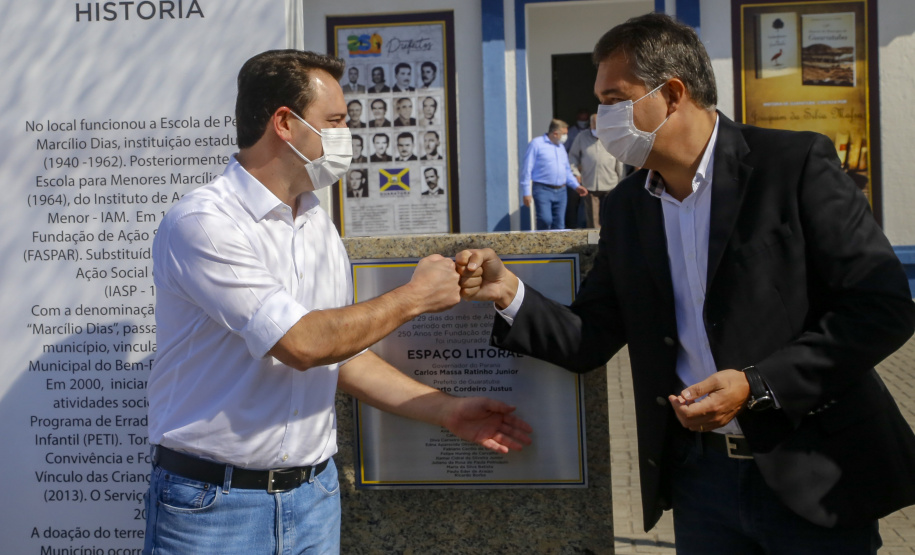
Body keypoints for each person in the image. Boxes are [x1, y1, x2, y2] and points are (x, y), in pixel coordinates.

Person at [457, 13, 915, 554]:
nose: (601, 118)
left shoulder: (790, 165)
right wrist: (508, 290)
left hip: (812, 471)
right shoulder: (629, 207)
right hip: (702, 482)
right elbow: (592, 334)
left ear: (672, 93)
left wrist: (758, 384)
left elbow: (881, 306)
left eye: (614, 98)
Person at [144, 50, 532, 555]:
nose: (348, 135)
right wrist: (414, 298)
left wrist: (446, 411)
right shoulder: (204, 224)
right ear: (285, 122)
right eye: (336, 121)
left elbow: (340, 354)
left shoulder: (315, 222)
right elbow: (302, 343)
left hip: (314, 497)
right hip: (216, 507)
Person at [519, 118, 588, 230]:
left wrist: (576, 186)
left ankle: (558, 248)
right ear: (555, 133)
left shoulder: (560, 148)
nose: (566, 137)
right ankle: (542, 245)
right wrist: (526, 192)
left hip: (561, 191)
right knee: (545, 219)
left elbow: (566, 170)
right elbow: (527, 169)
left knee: (559, 223)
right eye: (564, 134)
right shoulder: (536, 144)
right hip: (543, 189)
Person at [568, 113, 626, 228]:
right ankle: (595, 244)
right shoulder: (581, 137)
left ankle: (610, 242)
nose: (597, 130)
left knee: (610, 216)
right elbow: (572, 156)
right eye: (595, 126)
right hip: (590, 184)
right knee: (592, 219)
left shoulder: (612, 137)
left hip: (610, 184)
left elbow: (619, 160)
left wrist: (621, 181)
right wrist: (575, 173)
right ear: (590, 125)